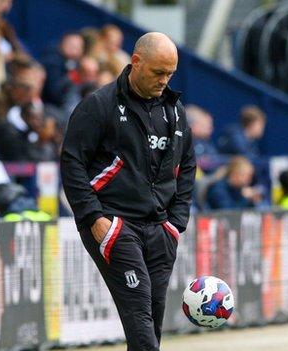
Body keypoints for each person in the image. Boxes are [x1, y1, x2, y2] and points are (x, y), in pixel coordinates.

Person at [60, 32, 196, 351]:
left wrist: (176, 222)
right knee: (138, 308)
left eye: (170, 74)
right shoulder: (99, 105)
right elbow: (71, 161)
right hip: (115, 223)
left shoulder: (174, 112)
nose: (165, 80)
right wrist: (93, 217)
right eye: (158, 72)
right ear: (136, 63)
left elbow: (188, 164)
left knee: (153, 312)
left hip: (161, 226)